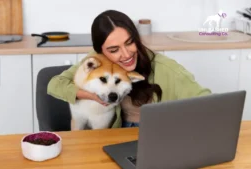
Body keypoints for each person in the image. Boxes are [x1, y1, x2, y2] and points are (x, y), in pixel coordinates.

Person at [47, 10, 211, 128]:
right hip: (118, 132)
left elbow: (209, 104)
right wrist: (91, 95)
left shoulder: (166, 68)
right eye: (113, 50)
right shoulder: (96, 60)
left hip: (155, 133)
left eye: (129, 42)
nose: (126, 54)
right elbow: (55, 84)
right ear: (100, 51)